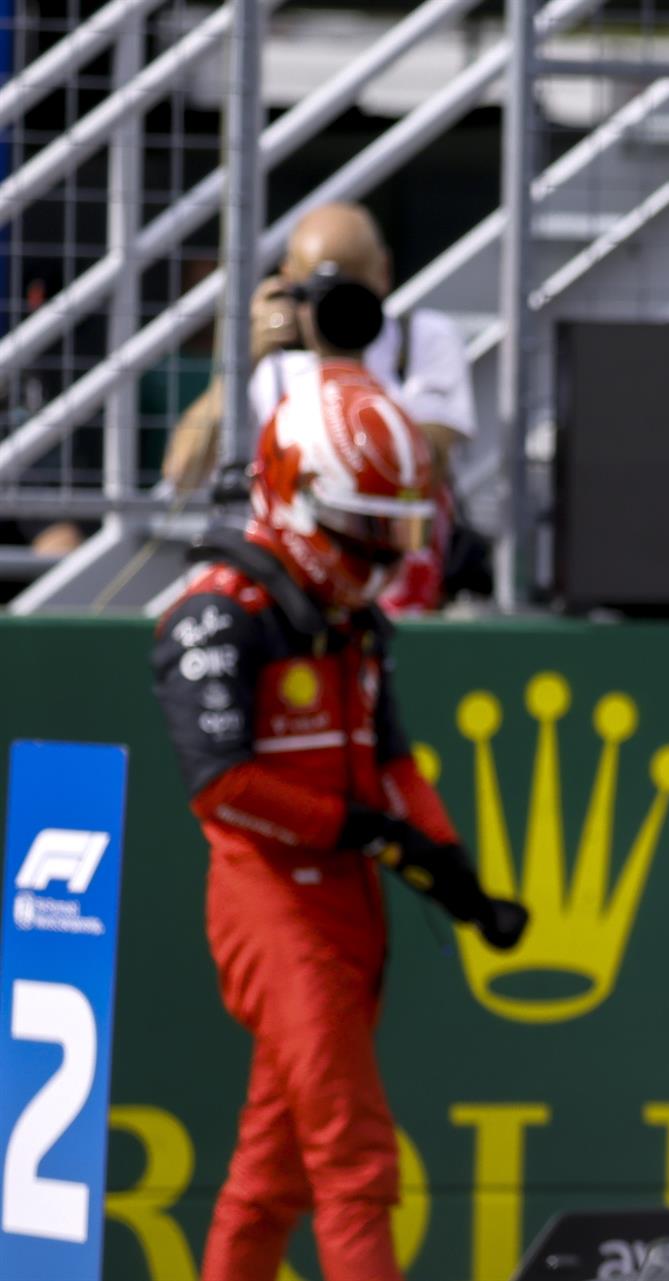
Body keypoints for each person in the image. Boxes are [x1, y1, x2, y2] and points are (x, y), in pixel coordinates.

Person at [151, 355, 528, 1280]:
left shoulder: (352, 620)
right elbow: (222, 784)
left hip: (351, 910)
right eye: (362, 527)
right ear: (295, 493)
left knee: (270, 1168)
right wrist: (361, 829)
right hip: (271, 909)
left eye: (389, 528)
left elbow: (394, 765)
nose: (379, 552)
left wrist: (458, 876)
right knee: (357, 1160)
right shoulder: (215, 613)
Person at [162, 201, 479, 611]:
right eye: (323, 291)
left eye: (354, 288)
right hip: (290, 596)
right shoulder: (271, 359)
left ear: (383, 273)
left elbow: (423, 471)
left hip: (392, 590)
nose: (339, 307)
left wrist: (346, 363)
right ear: (289, 282)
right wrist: (240, 364)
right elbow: (181, 474)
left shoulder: (423, 340)